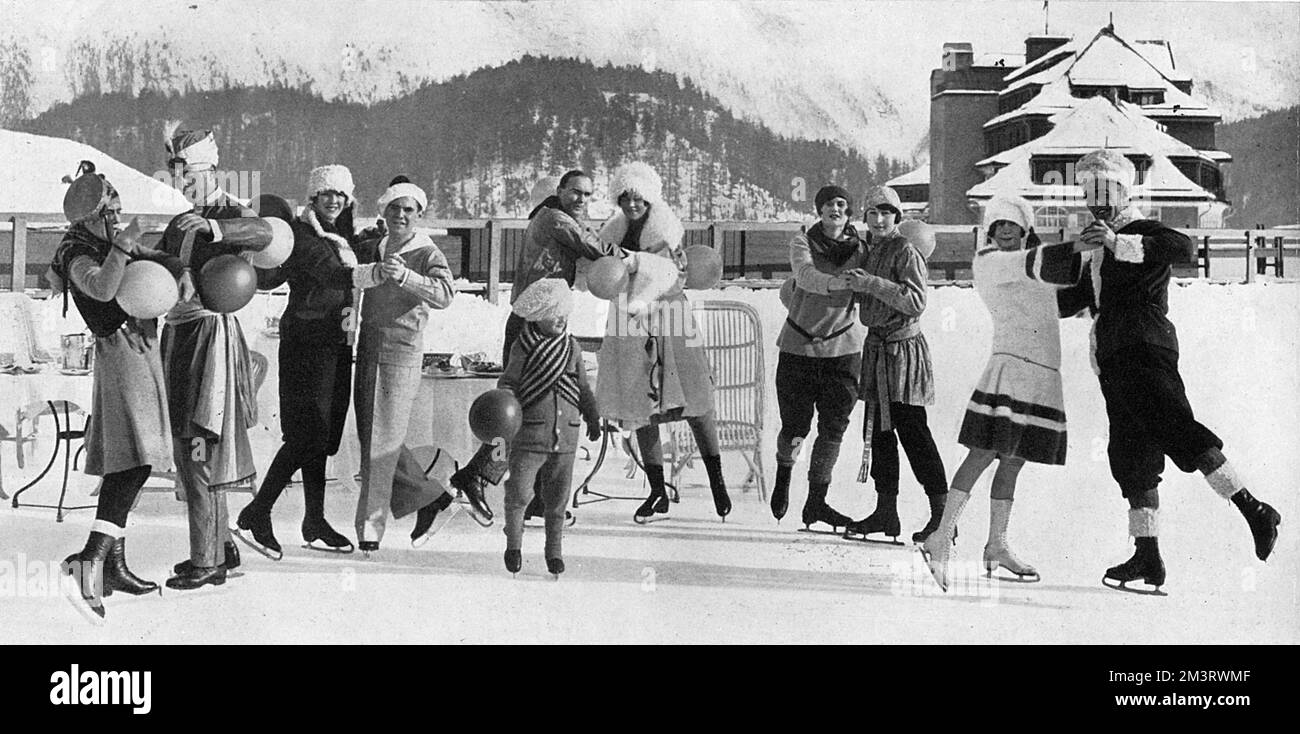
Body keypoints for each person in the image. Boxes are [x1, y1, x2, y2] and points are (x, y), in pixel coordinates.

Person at [1057, 149, 1281, 593]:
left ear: (1124, 192)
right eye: (1089, 193)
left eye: (1107, 191)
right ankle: (1148, 555)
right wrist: (1026, 287)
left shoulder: (1144, 231)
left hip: (1146, 347)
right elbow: (1073, 300)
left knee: (1176, 429)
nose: (1097, 201)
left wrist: (1116, 243)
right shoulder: (1095, 250)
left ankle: (1255, 509)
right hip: (1113, 359)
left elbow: (1184, 247)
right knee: (1130, 456)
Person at [920, 195, 1096, 590]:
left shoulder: (1035, 270)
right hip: (1011, 368)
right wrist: (1083, 245)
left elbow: (1067, 300)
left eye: (1011, 226)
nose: (1002, 232)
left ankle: (996, 544)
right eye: (997, 225)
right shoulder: (990, 263)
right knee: (982, 453)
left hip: (1043, 373)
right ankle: (941, 535)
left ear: (1025, 230)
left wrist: (1099, 264)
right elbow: (1036, 263)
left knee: (1014, 460)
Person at [158, 124, 291, 590]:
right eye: (179, 174)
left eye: (190, 173)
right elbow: (157, 263)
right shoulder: (179, 222)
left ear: (212, 169)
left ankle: (208, 557)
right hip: (176, 337)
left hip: (211, 341)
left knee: (200, 446)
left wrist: (214, 228)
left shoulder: (230, 213)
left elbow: (264, 232)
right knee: (186, 443)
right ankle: (219, 547)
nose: (184, 182)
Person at [51, 164, 183, 618]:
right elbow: (104, 290)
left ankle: (113, 565)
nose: (118, 217)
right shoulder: (77, 253)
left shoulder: (101, 242)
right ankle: (91, 558)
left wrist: (173, 265)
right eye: (112, 210)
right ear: (91, 215)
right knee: (136, 458)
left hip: (138, 349)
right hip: (119, 351)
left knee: (132, 460)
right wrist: (125, 246)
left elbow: (157, 260)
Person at [449, 170, 614, 522]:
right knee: (521, 412)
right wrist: (634, 259)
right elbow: (595, 246)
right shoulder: (555, 218)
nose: (581, 200)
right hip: (532, 324)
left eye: (587, 194)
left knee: (541, 410)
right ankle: (477, 474)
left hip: (543, 320)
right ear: (559, 192)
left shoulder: (552, 220)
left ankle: (538, 498)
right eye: (575, 192)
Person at [233, 165, 361, 558]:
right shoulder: (303, 237)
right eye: (327, 194)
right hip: (306, 345)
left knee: (321, 439)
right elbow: (337, 277)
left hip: (335, 343)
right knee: (306, 435)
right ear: (313, 198)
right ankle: (259, 510)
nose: (334, 200)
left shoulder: (341, 237)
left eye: (341, 194)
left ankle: (315, 519)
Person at [594, 162, 731, 523]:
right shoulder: (611, 232)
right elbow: (604, 272)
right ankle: (657, 492)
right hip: (628, 319)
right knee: (641, 404)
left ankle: (717, 481)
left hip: (669, 317)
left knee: (694, 398)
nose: (631, 204)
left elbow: (665, 273)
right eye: (624, 197)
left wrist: (635, 262)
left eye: (637, 197)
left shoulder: (666, 229)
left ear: (649, 198)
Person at [351, 178, 458, 552]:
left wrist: (407, 277)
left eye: (408, 209)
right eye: (394, 207)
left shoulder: (426, 252)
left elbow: (445, 294)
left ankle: (370, 530)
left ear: (419, 215)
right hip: (368, 347)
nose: (400, 215)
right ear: (384, 210)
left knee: (382, 441)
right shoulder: (377, 245)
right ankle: (432, 499)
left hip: (400, 350)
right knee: (373, 437)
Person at [842, 186, 950, 544]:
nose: (878, 220)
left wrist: (871, 284)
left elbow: (916, 301)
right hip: (877, 351)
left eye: (886, 213)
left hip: (902, 352)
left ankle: (943, 516)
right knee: (878, 434)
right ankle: (886, 512)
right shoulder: (870, 251)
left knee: (913, 432)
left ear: (897, 217)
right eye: (872, 213)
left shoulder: (905, 249)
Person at [770, 184, 865, 532]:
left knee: (833, 430)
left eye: (842, 204)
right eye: (828, 204)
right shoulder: (802, 242)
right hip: (799, 349)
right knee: (796, 428)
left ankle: (816, 502)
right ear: (819, 210)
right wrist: (846, 283)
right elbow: (806, 277)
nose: (835, 209)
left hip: (843, 353)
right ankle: (784, 471)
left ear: (849, 212)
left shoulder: (863, 250)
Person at [498, 279, 601, 575]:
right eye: (553, 313)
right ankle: (514, 546)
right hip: (529, 434)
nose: (561, 319)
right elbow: (509, 383)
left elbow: (582, 387)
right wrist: (505, 403)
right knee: (518, 493)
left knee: (557, 501)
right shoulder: (523, 345)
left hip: (565, 437)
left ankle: (554, 551)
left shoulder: (571, 347)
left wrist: (592, 416)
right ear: (537, 314)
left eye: (564, 313)